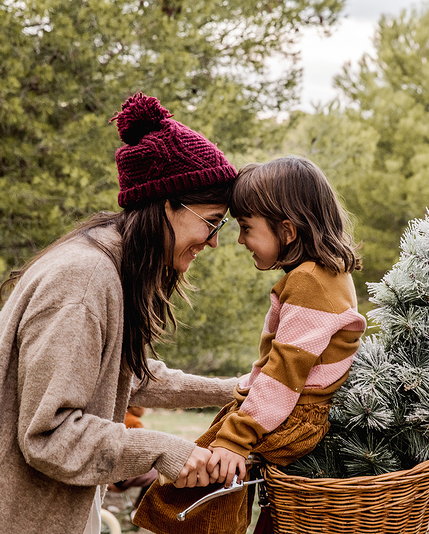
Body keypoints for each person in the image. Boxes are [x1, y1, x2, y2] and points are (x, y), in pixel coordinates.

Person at [0, 93, 240, 534]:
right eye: (212, 220)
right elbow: (49, 434)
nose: (214, 240)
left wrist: (232, 390)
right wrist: (163, 450)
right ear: (166, 202)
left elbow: (123, 375)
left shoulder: (109, 266)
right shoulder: (84, 282)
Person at [132, 156, 367, 534]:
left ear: (287, 231)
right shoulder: (329, 274)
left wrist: (234, 440)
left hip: (294, 416)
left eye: (245, 227)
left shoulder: (309, 282)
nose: (239, 240)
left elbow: (283, 375)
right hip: (289, 412)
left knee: (196, 482)